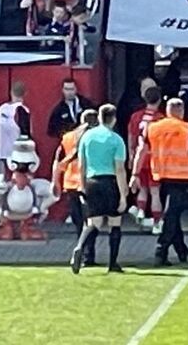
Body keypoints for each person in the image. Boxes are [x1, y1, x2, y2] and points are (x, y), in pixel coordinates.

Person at [70, 104, 127, 274]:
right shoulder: (116, 139)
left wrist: (82, 185)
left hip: (91, 181)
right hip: (109, 182)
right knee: (114, 223)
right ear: (114, 119)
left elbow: (81, 164)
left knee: (93, 223)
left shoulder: (87, 137)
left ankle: (79, 246)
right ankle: (113, 263)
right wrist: (123, 195)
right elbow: (119, 169)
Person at [140, 98, 188, 266]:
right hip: (183, 175)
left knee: (173, 212)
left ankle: (181, 249)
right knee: (172, 213)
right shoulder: (187, 128)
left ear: (167, 110)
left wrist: (135, 173)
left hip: (162, 173)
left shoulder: (153, 127)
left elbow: (142, 149)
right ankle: (162, 248)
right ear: (181, 111)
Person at [53, 109, 99, 266]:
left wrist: (55, 182)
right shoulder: (97, 138)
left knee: (79, 221)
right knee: (92, 220)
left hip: (70, 183)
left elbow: (58, 162)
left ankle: (83, 249)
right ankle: (88, 253)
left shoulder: (67, 137)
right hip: (90, 183)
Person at [128, 85, 165, 233]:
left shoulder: (136, 116)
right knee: (155, 192)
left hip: (139, 157)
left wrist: (131, 154)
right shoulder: (161, 118)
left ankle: (141, 210)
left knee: (142, 188)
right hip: (155, 158)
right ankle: (157, 223)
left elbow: (131, 136)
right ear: (160, 100)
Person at [0, 81, 32, 164]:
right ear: (25, 93)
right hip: (20, 153)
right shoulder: (23, 110)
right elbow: (26, 132)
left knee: (4, 175)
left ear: (11, 92)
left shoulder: (1, 108)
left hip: (3, 151)